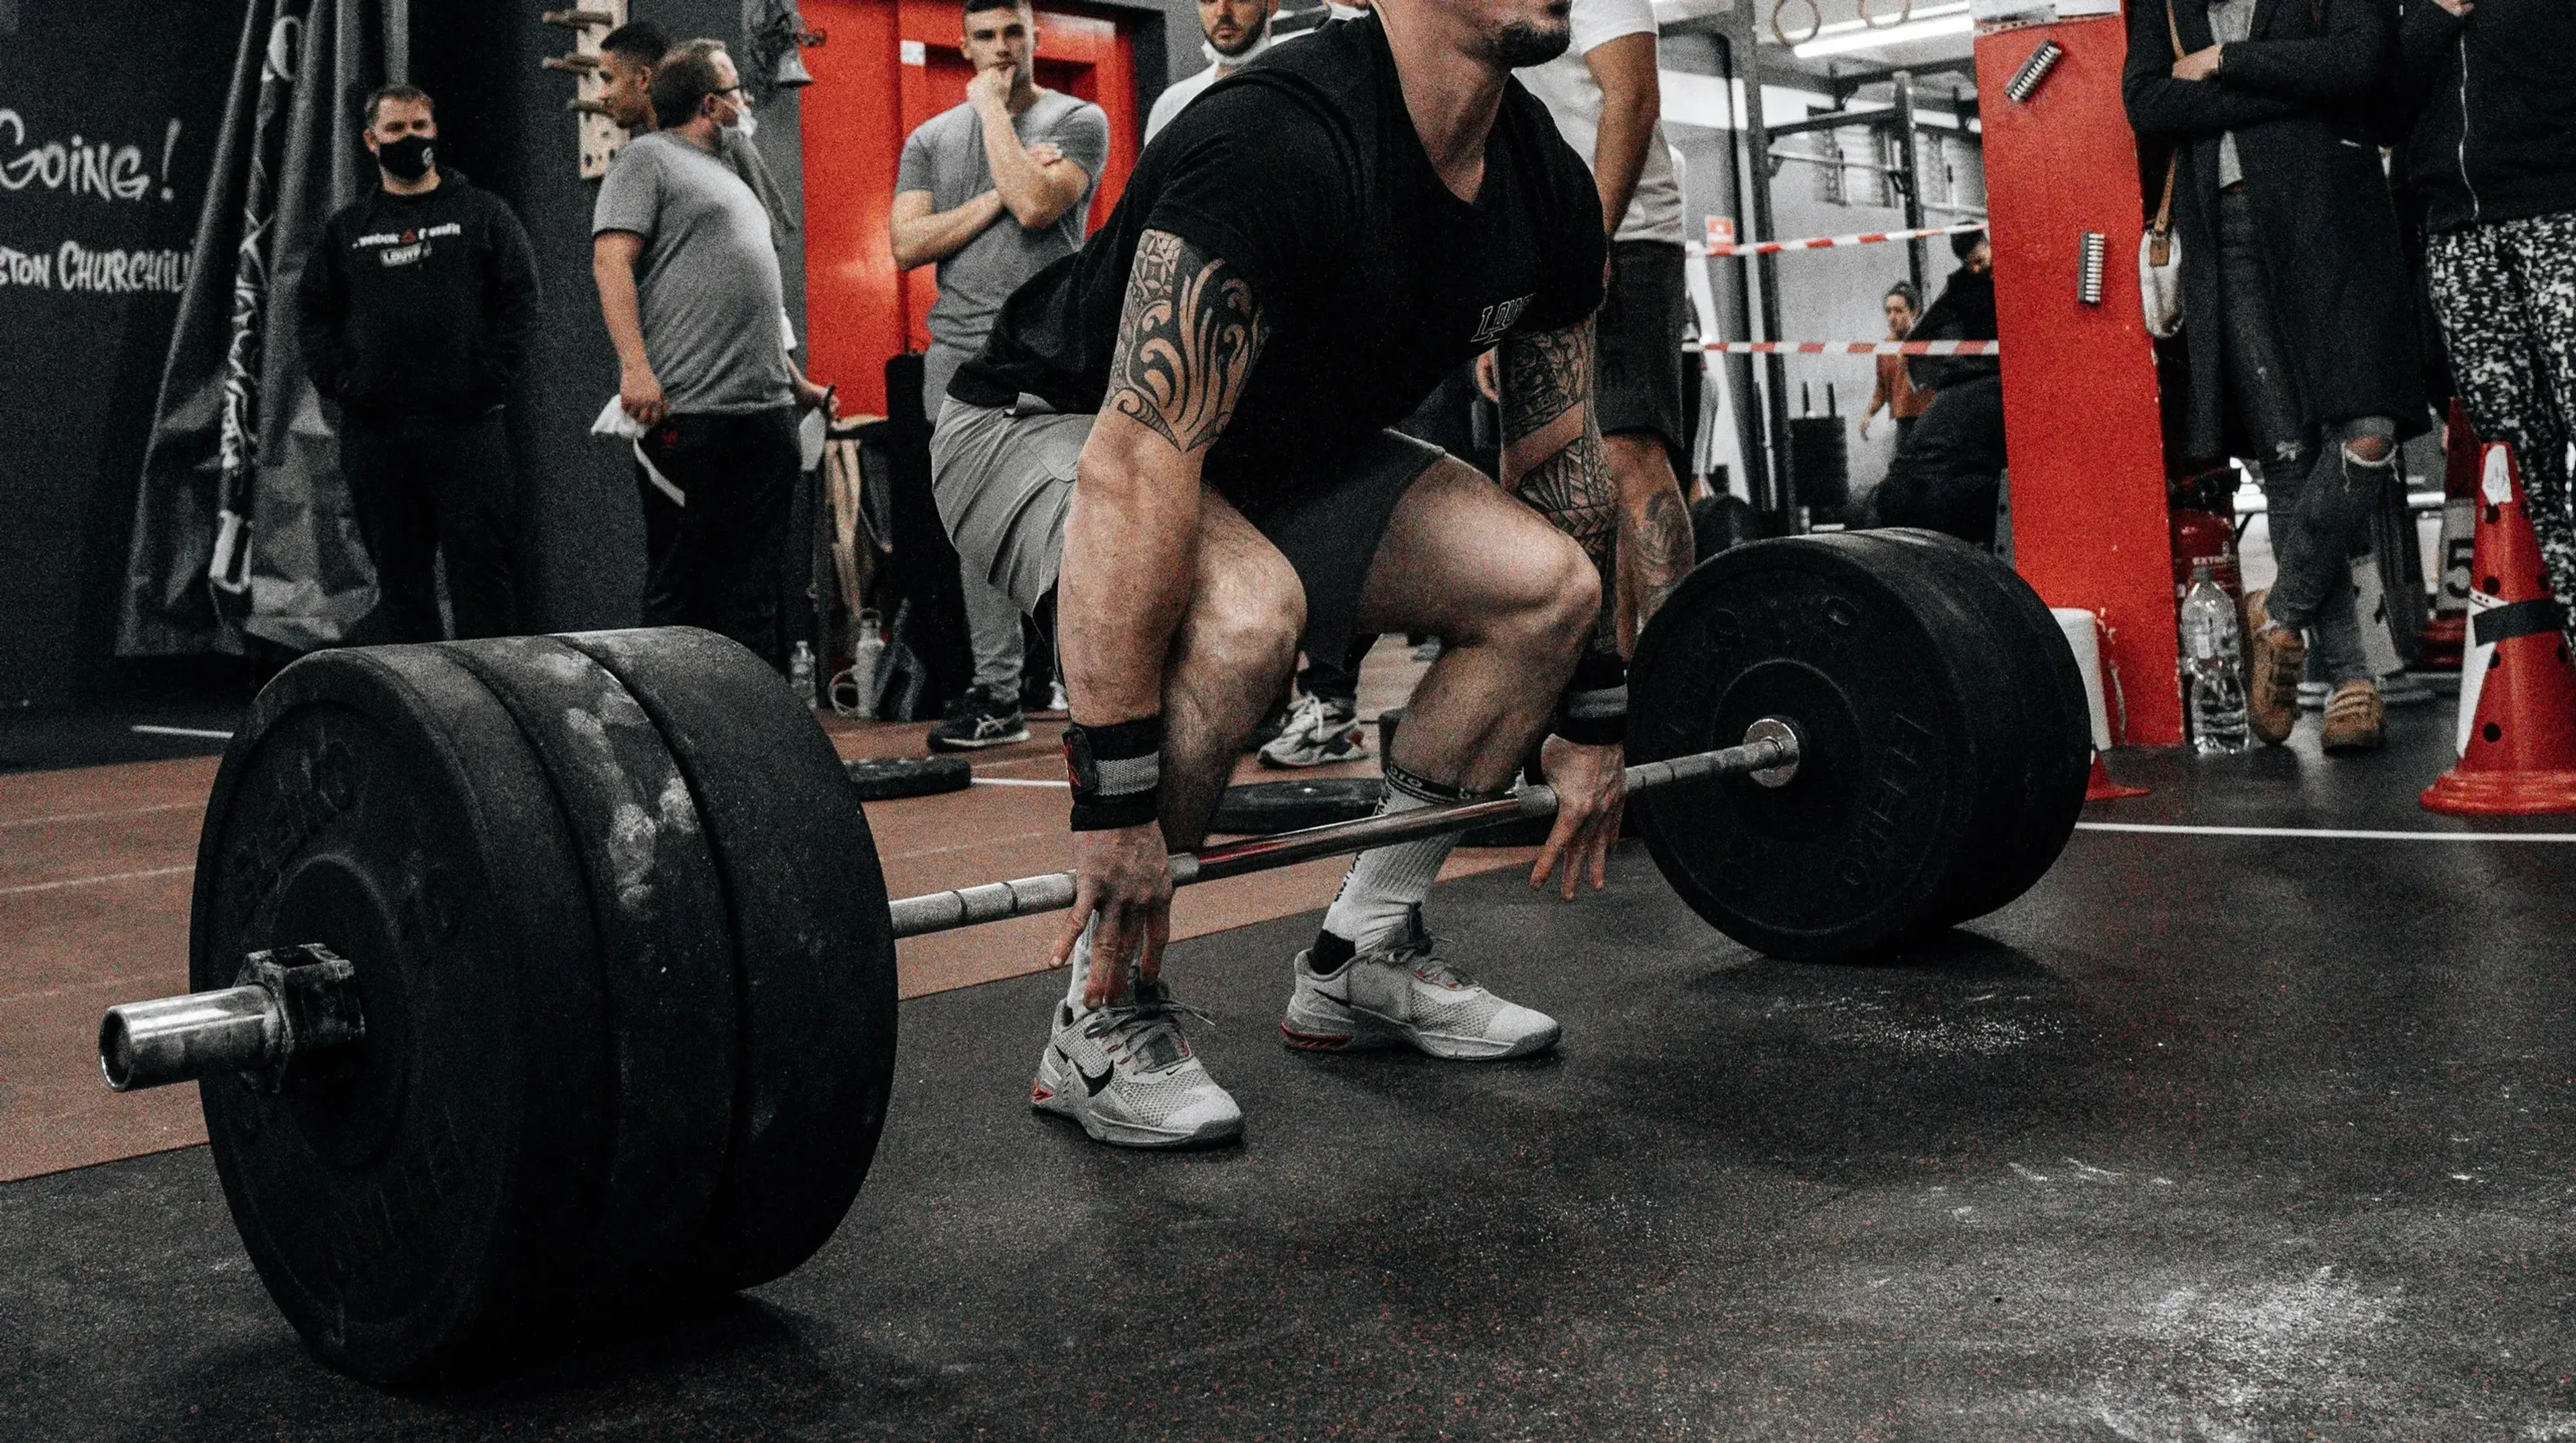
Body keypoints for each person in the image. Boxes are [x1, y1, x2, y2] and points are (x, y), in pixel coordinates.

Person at [931, 3, 1623, 1149]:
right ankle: (1100, 1016)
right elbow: (1137, 460)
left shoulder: (1543, 180)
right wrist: (1115, 800)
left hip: (1272, 454)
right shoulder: (1275, 139)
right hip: (1054, 421)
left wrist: (1592, 711)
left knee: (1546, 589)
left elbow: (1559, 449)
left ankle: (1364, 953)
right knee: (1244, 620)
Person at [2125, 0, 2426, 753]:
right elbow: (2148, 102)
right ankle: (2352, 680)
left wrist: (2226, 64)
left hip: (2335, 220)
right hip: (2224, 230)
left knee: (2368, 432)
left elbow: (2361, 61)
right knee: (2287, 458)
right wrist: (2295, 93)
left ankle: (2282, 616)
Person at [894, 0, 1109, 749]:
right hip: (958, 357)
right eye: (984, 36)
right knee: (979, 535)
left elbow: (1036, 203)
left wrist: (991, 112)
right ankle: (997, 692)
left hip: (1051, 357)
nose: (1001, 48)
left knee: (1077, 521)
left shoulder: (1079, 121)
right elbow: (906, 243)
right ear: (963, 45)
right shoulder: (928, 139)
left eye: (1014, 32)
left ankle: (1094, 686)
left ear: (1036, 37)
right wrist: (992, 192)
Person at [593, 40, 834, 672]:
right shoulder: (646, 160)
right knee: (684, 589)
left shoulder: (732, 172)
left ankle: (754, 729)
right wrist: (635, 367)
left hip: (764, 413)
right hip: (692, 412)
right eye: (736, 92)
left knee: (754, 593)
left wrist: (795, 382)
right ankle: (669, 726)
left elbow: (751, 293)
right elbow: (611, 261)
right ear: (710, 105)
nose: (746, 102)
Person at [298, 85, 538, 644]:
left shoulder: (484, 214)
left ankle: (491, 693)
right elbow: (312, 315)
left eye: (419, 127)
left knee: (483, 577)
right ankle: (419, 697)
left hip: (468, 430)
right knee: (401, 585)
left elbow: (521, 302)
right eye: (396, 130)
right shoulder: (347, 230)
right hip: (379, 437)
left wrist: (488, 380)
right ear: (371, 140)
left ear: (435, 130)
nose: (410, 139)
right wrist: (344, 383)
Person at [1511, 0, 1693, 647]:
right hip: (1539, 251)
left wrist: (1594, 237)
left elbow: (1634, 99)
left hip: (1626, 234)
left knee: (1625, 451)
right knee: (1560, 474)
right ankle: (1608, 674)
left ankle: (1676, 669)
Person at [2397, 0, 2576, 634]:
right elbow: (2376, 104)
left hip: (2561, 212)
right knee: (2520, 469)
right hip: (2457, 232)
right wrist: (2435, 15)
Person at [1873, 233, 2005, 546]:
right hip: (1936, 480)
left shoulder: (1952, 390)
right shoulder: (1961, 287)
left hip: (1902, 485)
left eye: (1978, 261)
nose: (1975, 269)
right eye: (1969, 264)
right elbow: (1883, 386)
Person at [1145, 0, 1281, 141]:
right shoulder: (1172, 106)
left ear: (1272, 4)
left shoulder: (1292, 87)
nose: (1222, 12)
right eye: (1210, 0)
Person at [1860, 280, 1927, 445]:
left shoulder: (1927, 343)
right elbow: (1882, 388)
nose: (1892, 318)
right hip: (1902, 422)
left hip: (1929, 420)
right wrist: (1868, 414)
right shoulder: (1885, 347)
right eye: (1888, 311)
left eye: (1898, 311)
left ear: (1913, 313)